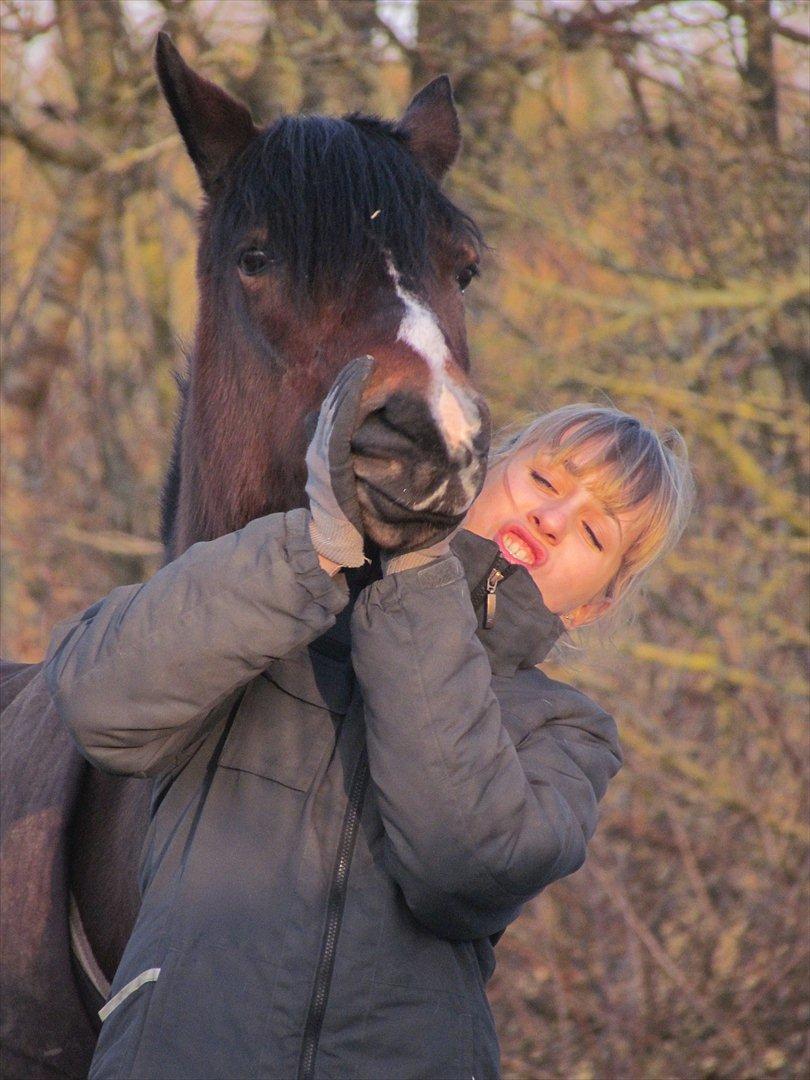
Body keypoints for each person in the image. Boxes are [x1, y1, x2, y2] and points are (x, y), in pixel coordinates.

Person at [44, 364, 693, 1080]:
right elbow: (96, 700)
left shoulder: (568, 733)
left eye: (595, 533)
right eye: (543, 480)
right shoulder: (282, 605)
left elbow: (466, 865)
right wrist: (311, 546)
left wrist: (418, 578)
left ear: (593, 606)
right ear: (483, 469)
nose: (552, 517)